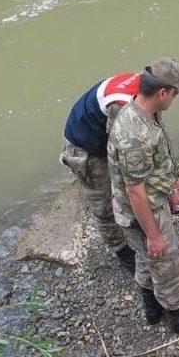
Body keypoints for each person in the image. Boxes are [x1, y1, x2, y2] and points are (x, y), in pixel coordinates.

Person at [107, 57, 179, 334]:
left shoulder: (147, 112)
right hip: (143, 212)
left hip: (149, 201)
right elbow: (135, 192)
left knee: (147, 259)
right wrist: (153, 234)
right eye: (175, 94)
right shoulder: (134, 134)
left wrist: (174, 180)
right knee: (166, 261)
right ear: (162, 93)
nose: (175, 99)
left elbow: (159, 155)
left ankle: (151, 308)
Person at [61, 71, 141, 272]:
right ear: (162, 91)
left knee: (128, 185)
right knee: (103, 204)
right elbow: (120, 151)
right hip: (85, 148)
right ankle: (120, 250)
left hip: (99, 133)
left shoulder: (144, 85)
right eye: (174, 94)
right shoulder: (122, 105)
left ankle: (133, 218)